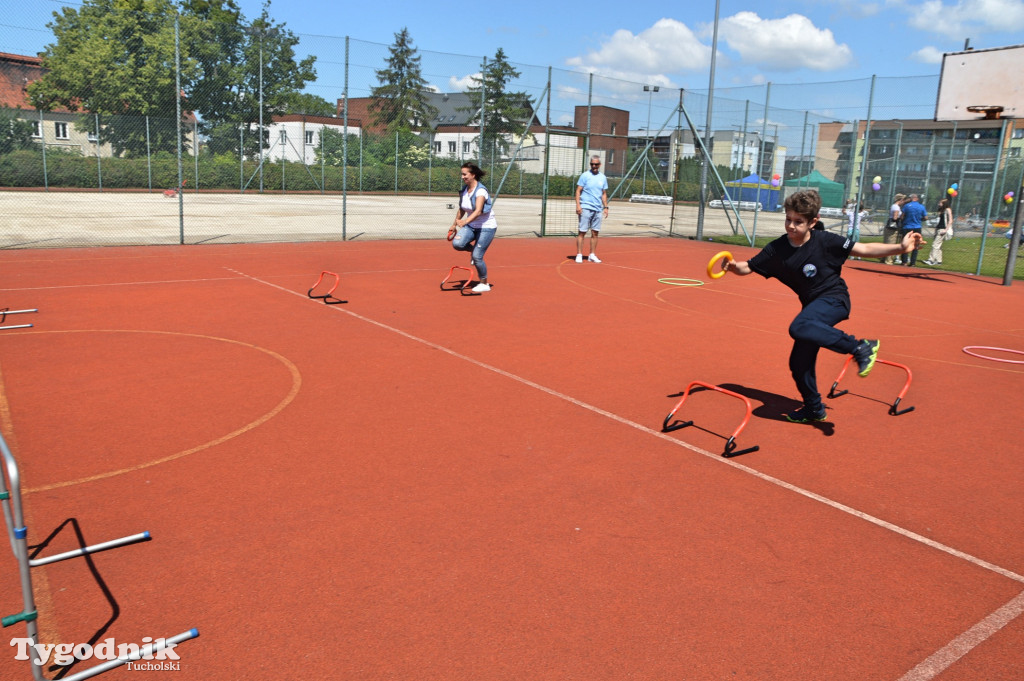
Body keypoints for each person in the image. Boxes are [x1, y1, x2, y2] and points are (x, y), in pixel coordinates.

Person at [721, 190, 925, 423]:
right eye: (788, 219)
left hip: (835, 300)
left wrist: (900, 248)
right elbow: (748, 267)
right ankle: (814, 409)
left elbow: (864, 249)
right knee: (798, 362)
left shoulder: (825, 241)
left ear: (813, 222)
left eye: (798, 222)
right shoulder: (777, 249)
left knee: (799, 327)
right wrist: (731, 266)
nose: (791, 226)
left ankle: (861, 347)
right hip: (812, 308)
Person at [449, 162, 497, 293]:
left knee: (477, 257)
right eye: (462, 174)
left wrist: (465, 222)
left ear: (473, 175)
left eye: (465, 174)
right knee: (457, 244)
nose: (462, 177)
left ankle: (484, 283)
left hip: (486, 227)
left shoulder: (480, 191)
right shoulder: (465, 190)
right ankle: (473, 251)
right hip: (471, 225)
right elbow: (462, 209)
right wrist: (454, 224)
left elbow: (478, 211)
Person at [574, 155, 609, 263]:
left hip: (597, 208)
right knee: (582, 232)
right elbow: (578, 191)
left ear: (600, 165)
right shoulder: (585, 176)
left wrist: (606, 207)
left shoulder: (602, 177)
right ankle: (579, 254)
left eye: (596, 164)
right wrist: (578, 206)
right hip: (585, 207)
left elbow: (603, 193)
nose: (594, 166)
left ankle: (592, 255)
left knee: (595, 233)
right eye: (592, 164)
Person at [898, 194, 927, 266]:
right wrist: (920, 219)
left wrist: (903, 221)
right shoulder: (921, 207)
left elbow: (902, 216)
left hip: (907, 227)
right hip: (917, 227)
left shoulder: (907, 206)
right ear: (917, 199)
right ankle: (913, 262)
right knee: (916, 244)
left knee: (905, 244)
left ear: (911, 198)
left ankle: (904, 261)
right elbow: (925, 217)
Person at [923, 198, 953, 266]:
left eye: (940, 203)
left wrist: (946, 230)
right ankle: (939, 261)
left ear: (944, 204)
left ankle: (931, 260)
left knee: (935, 244)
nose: (939, 204)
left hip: (943, 229)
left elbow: (950, 221)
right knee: (939, 245)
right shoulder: (942, 210)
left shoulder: (947, 210)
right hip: (939, 228)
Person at [882, 194, 906, 265]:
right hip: (893, 228)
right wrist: (901, 217)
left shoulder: (893, 206)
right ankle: (888, 260)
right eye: (903, 200)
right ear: (900, 200)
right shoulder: (896, 207)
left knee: (886, 243)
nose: (903, 202)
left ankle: (884, 258)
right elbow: (895, 217)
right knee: (891, 243)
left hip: (889, 227)